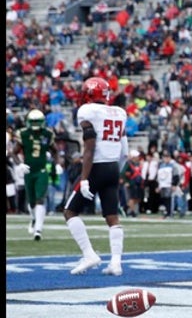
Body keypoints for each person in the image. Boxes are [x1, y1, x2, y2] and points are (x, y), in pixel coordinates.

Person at [64, 77, 128, 276]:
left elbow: (89, 148)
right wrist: (116, 170)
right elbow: (124, 151)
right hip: (113, 167)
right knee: (112, 217)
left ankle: (89, 254)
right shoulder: (120, 112)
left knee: (69, 211)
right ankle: (116, 263)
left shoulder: (87, 111)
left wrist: (84, 178)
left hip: (95, 168)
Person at [14, 109, 57, 241]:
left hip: (41, 171)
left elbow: (55, 151)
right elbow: (13, 152)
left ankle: (38, 229)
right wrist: (19, 164)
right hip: (28, 171)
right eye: (33, 121)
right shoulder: (23, 133)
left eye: (37, 121)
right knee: (32, 201)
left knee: (40, 199)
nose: (35, 124)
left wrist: (57, 164)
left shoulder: (48, 134)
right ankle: (34, 219)